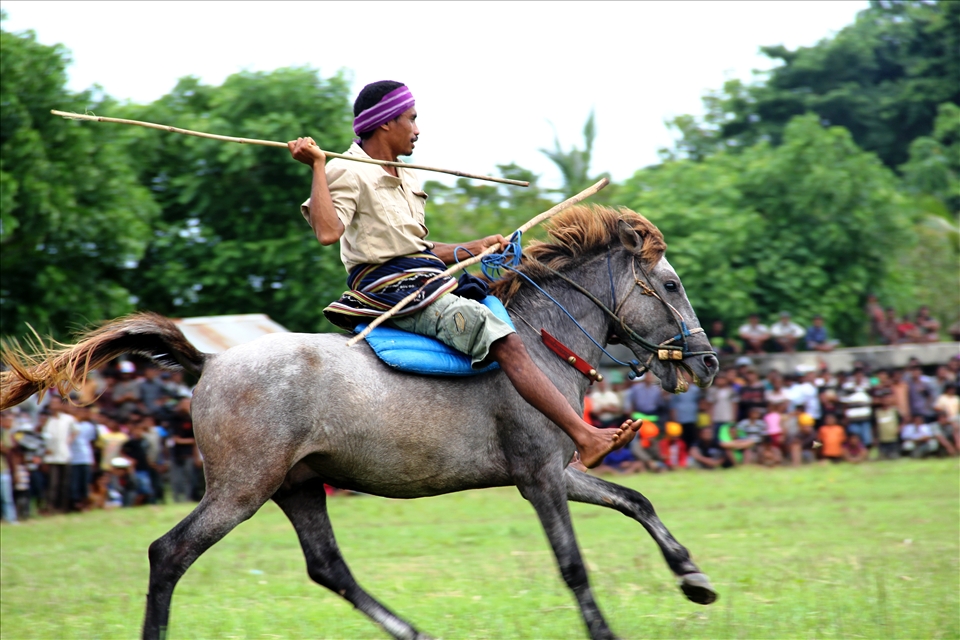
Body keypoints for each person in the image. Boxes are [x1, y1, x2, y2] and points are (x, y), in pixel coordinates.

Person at [287, 80, 638, 467]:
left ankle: (553, 446)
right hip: (391, 290)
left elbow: (417, 249)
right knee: (503, 340)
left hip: (424, 277)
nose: (418, 129)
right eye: (412, 119)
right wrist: (318, 167)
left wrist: (474, 247)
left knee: (507, 311)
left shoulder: (407, 173)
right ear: (386, 123)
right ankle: (585, 437)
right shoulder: (345, 170)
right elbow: (327, 232)